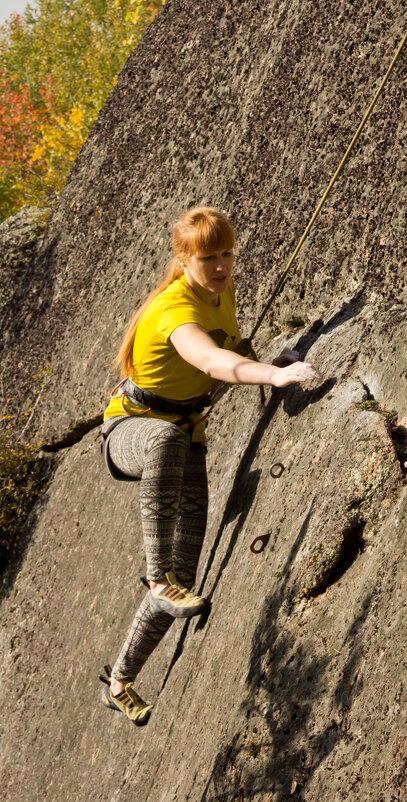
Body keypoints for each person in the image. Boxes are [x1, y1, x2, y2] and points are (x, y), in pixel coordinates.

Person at [98, 206, 321, 725]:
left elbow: (229, 346)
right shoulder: (172, 312)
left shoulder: (222, 291)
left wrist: (272, 359)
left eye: (226, 253)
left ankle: (119, 681)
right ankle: (155, 579)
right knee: (162, 445)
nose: (221, 266)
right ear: (183, 259)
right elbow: (211, 362)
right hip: (131, 430)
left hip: (185, 432)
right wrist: (271, 376)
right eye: (208, 257)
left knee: (187, 573)